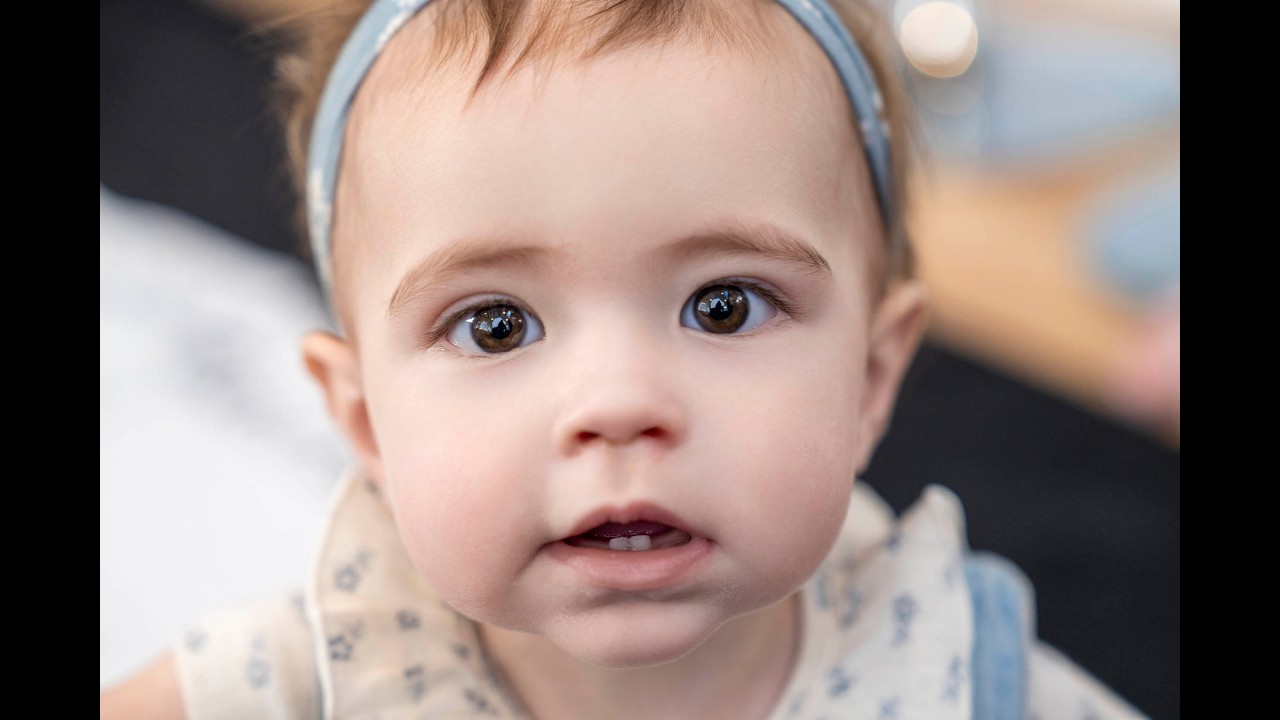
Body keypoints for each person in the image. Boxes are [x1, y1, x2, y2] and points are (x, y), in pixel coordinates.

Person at [100, 0, 1149, 717]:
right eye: (496, 324)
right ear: (365, 419)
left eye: (724, 306)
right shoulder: (305, 676)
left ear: (871, 379)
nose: (617, 404)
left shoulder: (970, 680)